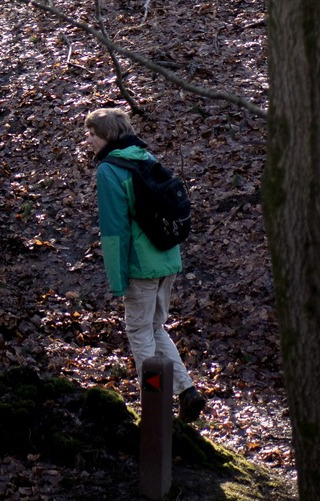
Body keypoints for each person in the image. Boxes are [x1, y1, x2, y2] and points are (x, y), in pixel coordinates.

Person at [88, 107, 203, 422]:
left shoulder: (109, 171)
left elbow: (115, 232)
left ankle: (155, 402)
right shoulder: (146, 158)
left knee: (139, 330)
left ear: (106, 136)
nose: (88, 140)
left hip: (142, 265)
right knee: (154, 327)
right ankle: (186, 391)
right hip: (168, 258)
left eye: (92, 134)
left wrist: (117, 279)